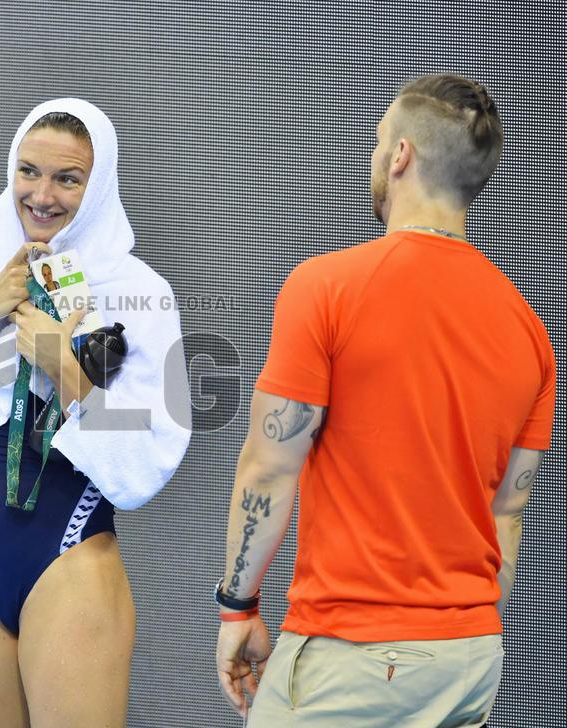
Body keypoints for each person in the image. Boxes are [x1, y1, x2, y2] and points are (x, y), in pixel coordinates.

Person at [213, 74, 555, 726]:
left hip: (352, 658)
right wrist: (453, 636)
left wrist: (238, 608)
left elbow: (269, 467)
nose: (375, 157)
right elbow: (507, 515)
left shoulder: (326, 287)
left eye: (378, 143)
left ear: (401, 155)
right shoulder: (529, 330)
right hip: (470, 659)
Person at [0, 99, 191, 728]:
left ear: (98, 184)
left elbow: (145, 466)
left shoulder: (138, 292)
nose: (42, 195)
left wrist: (61, 364)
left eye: (67, 179)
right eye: (28, 172)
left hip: (71, 558)